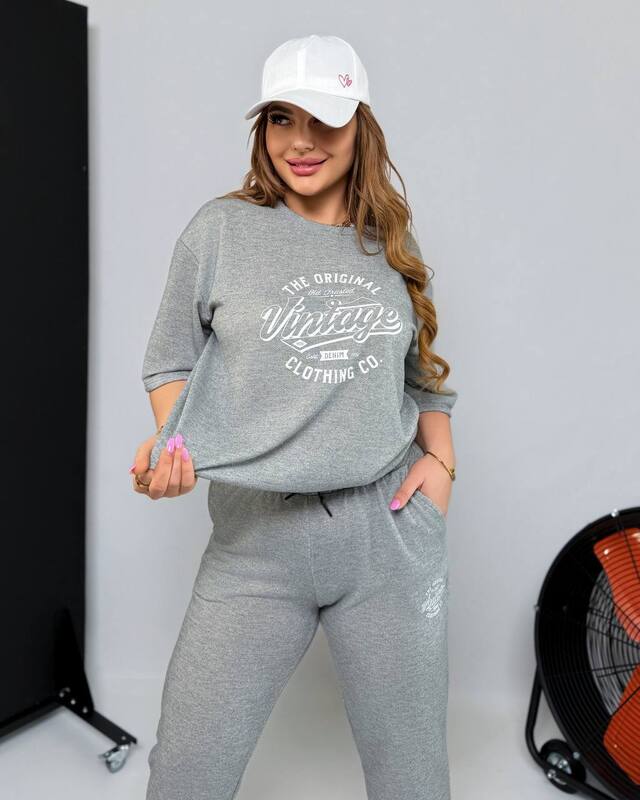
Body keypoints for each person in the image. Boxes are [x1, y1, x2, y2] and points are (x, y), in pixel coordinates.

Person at [132, 33, 458, 800]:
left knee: (413, 778)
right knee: (187, 774)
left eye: (324, 120)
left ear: (360, 125)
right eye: (282, 118)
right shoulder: (219, 231)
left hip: (385, 538)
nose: (301, 142)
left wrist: (441, 468)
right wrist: (180, 447)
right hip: (257, 541)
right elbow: (168, 360)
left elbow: (425, 378)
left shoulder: (391, 239)